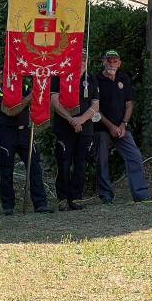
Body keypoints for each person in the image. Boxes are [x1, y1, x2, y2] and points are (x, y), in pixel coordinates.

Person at [91, 50, 152, 205]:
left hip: (122, 128)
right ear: (103, 62)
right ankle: (106, 196)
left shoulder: (124, 78)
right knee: (102, 160)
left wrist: (123, 124)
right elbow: (95, 109)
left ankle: (141, 194)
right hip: (102, 127)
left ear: (119, 63)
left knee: (134, 156)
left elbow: (129, 104)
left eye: (115, 61)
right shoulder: (96, 79)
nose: (112, 64)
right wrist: (111, 126)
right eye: (109, 61)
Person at [0, 82, 52, 215]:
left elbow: (36, 101)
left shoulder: (24, 88)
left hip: (24, 132)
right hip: (6, 133)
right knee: (7, 169)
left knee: (34, 166)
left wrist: (34, 96)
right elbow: (11, 110)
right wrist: (28, 98)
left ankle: (40, 203)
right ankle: (8, 205)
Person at [51, 74, 98, 211]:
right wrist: (71, 119)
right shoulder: (59, 77)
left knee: (81, 165)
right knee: (64, 163)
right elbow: (54, 101)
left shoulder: (91, 78)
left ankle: (76, 198)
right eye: (79, 55)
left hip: (85, 128)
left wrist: (81, 119)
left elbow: (95, 105)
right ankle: (63, 199)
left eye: (84, 56)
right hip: (64, 128)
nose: (82, 59)